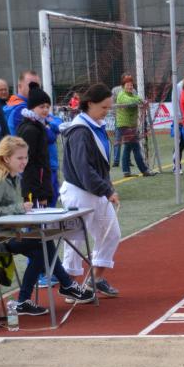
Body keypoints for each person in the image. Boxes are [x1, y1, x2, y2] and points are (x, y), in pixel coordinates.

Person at [0, 135, 94, 315]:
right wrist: (19, 208)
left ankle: (26, 300)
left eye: (26, 157)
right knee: (43, 243)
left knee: (42, 246)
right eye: (19, 158)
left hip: (8, 234)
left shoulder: (14, 178)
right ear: (6, 158)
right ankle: (65, 285)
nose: (24, 161)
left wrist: (22, 211)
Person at [60, 83, 121, 298]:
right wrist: (107, 190)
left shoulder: (95, 126)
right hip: (79, 192)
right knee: (75, 240)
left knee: (111, 233)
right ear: (89, 104)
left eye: (108, 107)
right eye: (104, 107)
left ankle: (95, 279)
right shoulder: (80, 131)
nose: (107, 112)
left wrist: (106, 187)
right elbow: (84, 169)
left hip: (97, 192)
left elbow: (99, 165)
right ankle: (70, 287)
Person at [16, 82, 54, 207]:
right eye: (42, 107)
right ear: (32, 108)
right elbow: (29, 164)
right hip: (35, 191)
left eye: (47, 106)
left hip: (38, 187)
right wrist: (41, 193)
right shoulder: (30, 130)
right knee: (36, 218)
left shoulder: (38, 126)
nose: (46, 110)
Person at [115, 75, 156, 178]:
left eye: (131, 85)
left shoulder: (132, 94)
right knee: (135, 148)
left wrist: (141, 100)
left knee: (128, 148)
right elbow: (130, 101)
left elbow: (137, 98)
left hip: (131, 125)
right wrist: (139, 101)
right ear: (123, 86)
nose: (130, 87)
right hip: (125, 125)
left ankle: (127, 171)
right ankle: (144, 170)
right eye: (128, 85)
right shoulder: (121, 95)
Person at [4, 70, 41, 135]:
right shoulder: (21, 109)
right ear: (20, 86)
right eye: (31, 86)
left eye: (37, 86)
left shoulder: (13, 103)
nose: (35, 89)